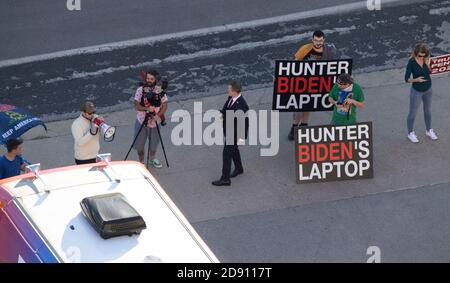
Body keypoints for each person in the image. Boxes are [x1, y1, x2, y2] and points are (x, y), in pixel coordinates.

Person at [288, 30, 337, 140]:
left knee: (309, 105)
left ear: (323, 40)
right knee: (298, 106)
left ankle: (304, 125)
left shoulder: (329, 50)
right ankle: (295, 127)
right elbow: (294, 64)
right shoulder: (305, 49)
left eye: (320, 40)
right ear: (312, 40)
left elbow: (335, 66)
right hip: (303, 83)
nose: (318, 42)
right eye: (316, 40)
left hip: (318, 83)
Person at [212, 80, 249, 186]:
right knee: (234, 150)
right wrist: (222, 113)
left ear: (235, 91)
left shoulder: (241, 105)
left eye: (229, 89)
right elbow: (226, 109)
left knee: (226, 154)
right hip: (229, 130)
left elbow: (244, 123)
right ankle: (239, 168)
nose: (227, 90)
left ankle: (225, 179)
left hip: (234, 133)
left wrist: (241, 138)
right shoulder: (231, 98)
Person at [133, 70, 168, 168]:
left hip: (155, 123)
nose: (149, 80)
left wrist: (158, 115)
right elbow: (136, 105)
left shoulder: (159, 90)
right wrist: (146, 108)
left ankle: (152, 159)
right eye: (148, 78)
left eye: (151, 79)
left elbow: (165, 106)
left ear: (156, 80)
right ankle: (141, 163)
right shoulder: (140, 90)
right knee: (140, 148)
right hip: (141, 122)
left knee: (153, 146)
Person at [404, 43, 437, 143]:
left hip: (428, 89)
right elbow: (406, 79)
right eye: (419, 55)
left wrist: (430, 63)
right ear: (416, 53)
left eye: (424, 56)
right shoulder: (411, 62)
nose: (421, 57)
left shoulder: (428, 59)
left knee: (428, 111)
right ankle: (410, 133)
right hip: (416, 91)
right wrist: (416, 79)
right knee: (412, 113)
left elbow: (434, 69)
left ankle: (429, 130)